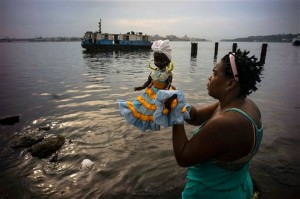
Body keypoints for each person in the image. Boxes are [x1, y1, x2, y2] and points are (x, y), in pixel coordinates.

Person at [169, 49, 264, 199]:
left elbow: (183, 157)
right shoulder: (244, 105)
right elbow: (195, 116)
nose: (209, 77)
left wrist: (174, 114)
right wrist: (178, 101)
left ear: (230, 83)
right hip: (237, 186)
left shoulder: (226, 123)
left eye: (214, 73)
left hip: (211, 192)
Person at [118, 40, 189, 131]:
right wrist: (142, 87)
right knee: (147, 108)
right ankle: (152, 122)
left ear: (168, 61)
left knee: (167, 106)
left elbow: (168, 84)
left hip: (164, 91)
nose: (158, 63)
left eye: (162, 61)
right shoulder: (153, 72)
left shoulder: (168, 74)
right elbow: (148, 81)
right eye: (156, 60)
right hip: (152, 91)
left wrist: (165, 93)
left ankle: (169, 117)